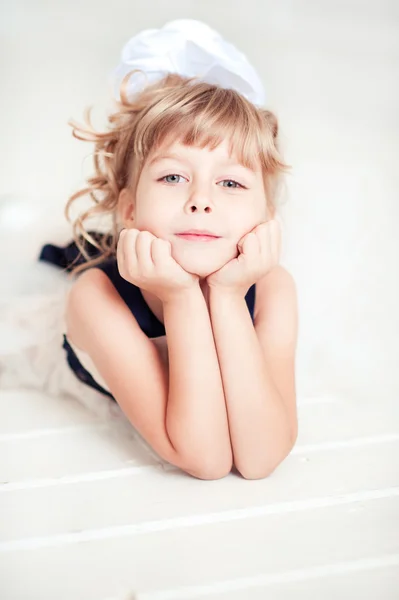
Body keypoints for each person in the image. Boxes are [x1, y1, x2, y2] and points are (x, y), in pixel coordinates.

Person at [3, 20, 299, 480]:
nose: (201, 199)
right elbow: (206, 458)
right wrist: (182, 297)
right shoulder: (96, 298)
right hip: (69, 325)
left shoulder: (272, 289)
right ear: (130, 208)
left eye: (231, 182)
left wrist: (225, 294)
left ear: (265, 215)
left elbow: (260, 458)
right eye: (173, 177)